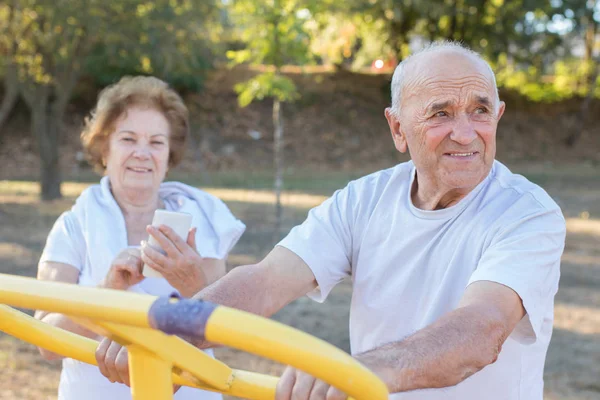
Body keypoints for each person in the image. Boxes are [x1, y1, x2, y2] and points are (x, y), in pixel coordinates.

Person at [102, 42, 566, 399]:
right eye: (440, 115)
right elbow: (265, 280)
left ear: (498, 116)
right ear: (398, 130)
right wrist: (169, 333)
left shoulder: (528, 213)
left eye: (480, 110)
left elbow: (481, 329)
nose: (465, 133)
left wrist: (355, 371)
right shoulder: (363, 200)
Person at [34, 76, 245, 400]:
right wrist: (107, 293)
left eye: (156, 142)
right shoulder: (73, 227)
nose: (142, 153)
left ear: (168, 155)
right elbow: (45, 343)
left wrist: (191, 280)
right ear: (104, 148)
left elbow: (226, 327)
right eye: (128, 139)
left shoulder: (204, 221)